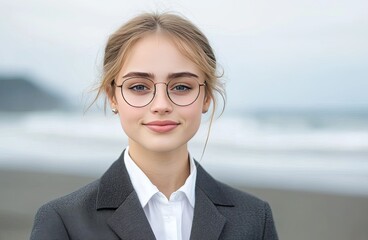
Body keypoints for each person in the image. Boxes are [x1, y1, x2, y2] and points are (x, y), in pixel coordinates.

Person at [30, 12, 278, 240]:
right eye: (139, 87)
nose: (161, 105)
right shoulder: (63, 221)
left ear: (206, 97)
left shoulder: (255, 219)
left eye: (181, 87)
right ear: (113, 97)